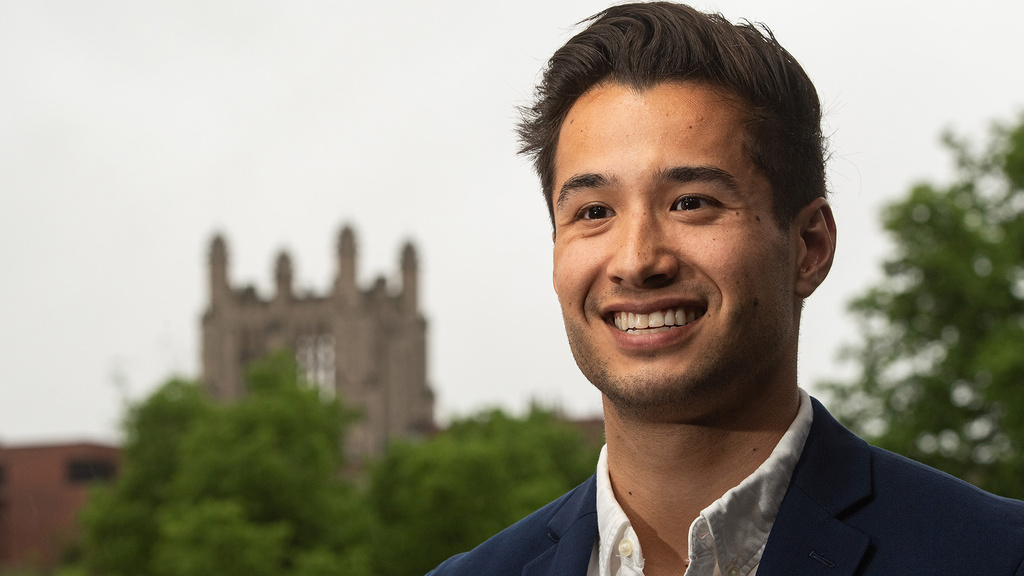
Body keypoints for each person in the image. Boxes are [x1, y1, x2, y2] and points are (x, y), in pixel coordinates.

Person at [430, 3, 1024, 575]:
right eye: (593, 212)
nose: (636, 261)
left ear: (809, 246)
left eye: (692, 203)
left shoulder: (996, 557)